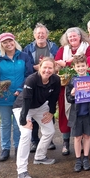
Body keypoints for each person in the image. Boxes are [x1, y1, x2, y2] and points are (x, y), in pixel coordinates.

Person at [13, 57, 60, 178]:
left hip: (40, 107)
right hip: (23, 107)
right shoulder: (31, 79)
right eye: (45, 67)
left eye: (50, 68)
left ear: (54, 69)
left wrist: (51, 112)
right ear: (40, 67)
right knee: (26, 134)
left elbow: (54, 97)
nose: (47, 70)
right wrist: (24, 120)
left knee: (49, 130)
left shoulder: (56, 79)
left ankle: (39, 157)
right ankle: (22, 171)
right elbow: (26, 100)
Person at [0, 33, 33, 162]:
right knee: (5, 123)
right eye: (5, 42)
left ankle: (18, 147)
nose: (8, 44)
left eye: (10, 41)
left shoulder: (24, 56)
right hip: (3, 96)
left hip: (20, 96)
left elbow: (29, 74)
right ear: (1, 44)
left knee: (18, 123)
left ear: (14, 41)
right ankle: (5, 149)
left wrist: (21, 89)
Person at [54, 27, 90, 156]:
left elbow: (88, 63)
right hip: (66, 86)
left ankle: (82, 141)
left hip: (83, 86)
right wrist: (64, 63)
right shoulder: (62, 49)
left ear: (80, 36)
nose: (72, 39)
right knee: (65, 114)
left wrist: (67, 62)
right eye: (70, 37)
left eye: (74, 36)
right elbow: (57, 64)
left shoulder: (87, 47)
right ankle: (65, 141)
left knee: (82, 113)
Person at [23, 23, 59, 152]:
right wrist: (39, 68)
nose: (41, 35)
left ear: (47, 35)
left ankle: (49, 140)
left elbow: (57, 62)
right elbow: (27, 66)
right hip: (34, 82)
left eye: (43, 33)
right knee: (32, 112)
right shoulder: (28, 48)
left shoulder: (53, 47)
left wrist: (48, 68)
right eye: (38, 33)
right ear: (34, 35)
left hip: (50, 81)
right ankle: (34, 141)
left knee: (48, 110)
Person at [66, 54, 90, 172]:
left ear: (87, 66)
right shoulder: (72, 81)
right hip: (76, 114)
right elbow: (68, 99)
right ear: (74, 68)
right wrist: (71, 94)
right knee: (77, 137)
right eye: (78, 66)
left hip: (89, 113)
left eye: (83, 66)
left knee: (87, 136)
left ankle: (85, 158)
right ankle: (78, 159)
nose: (81, 68)